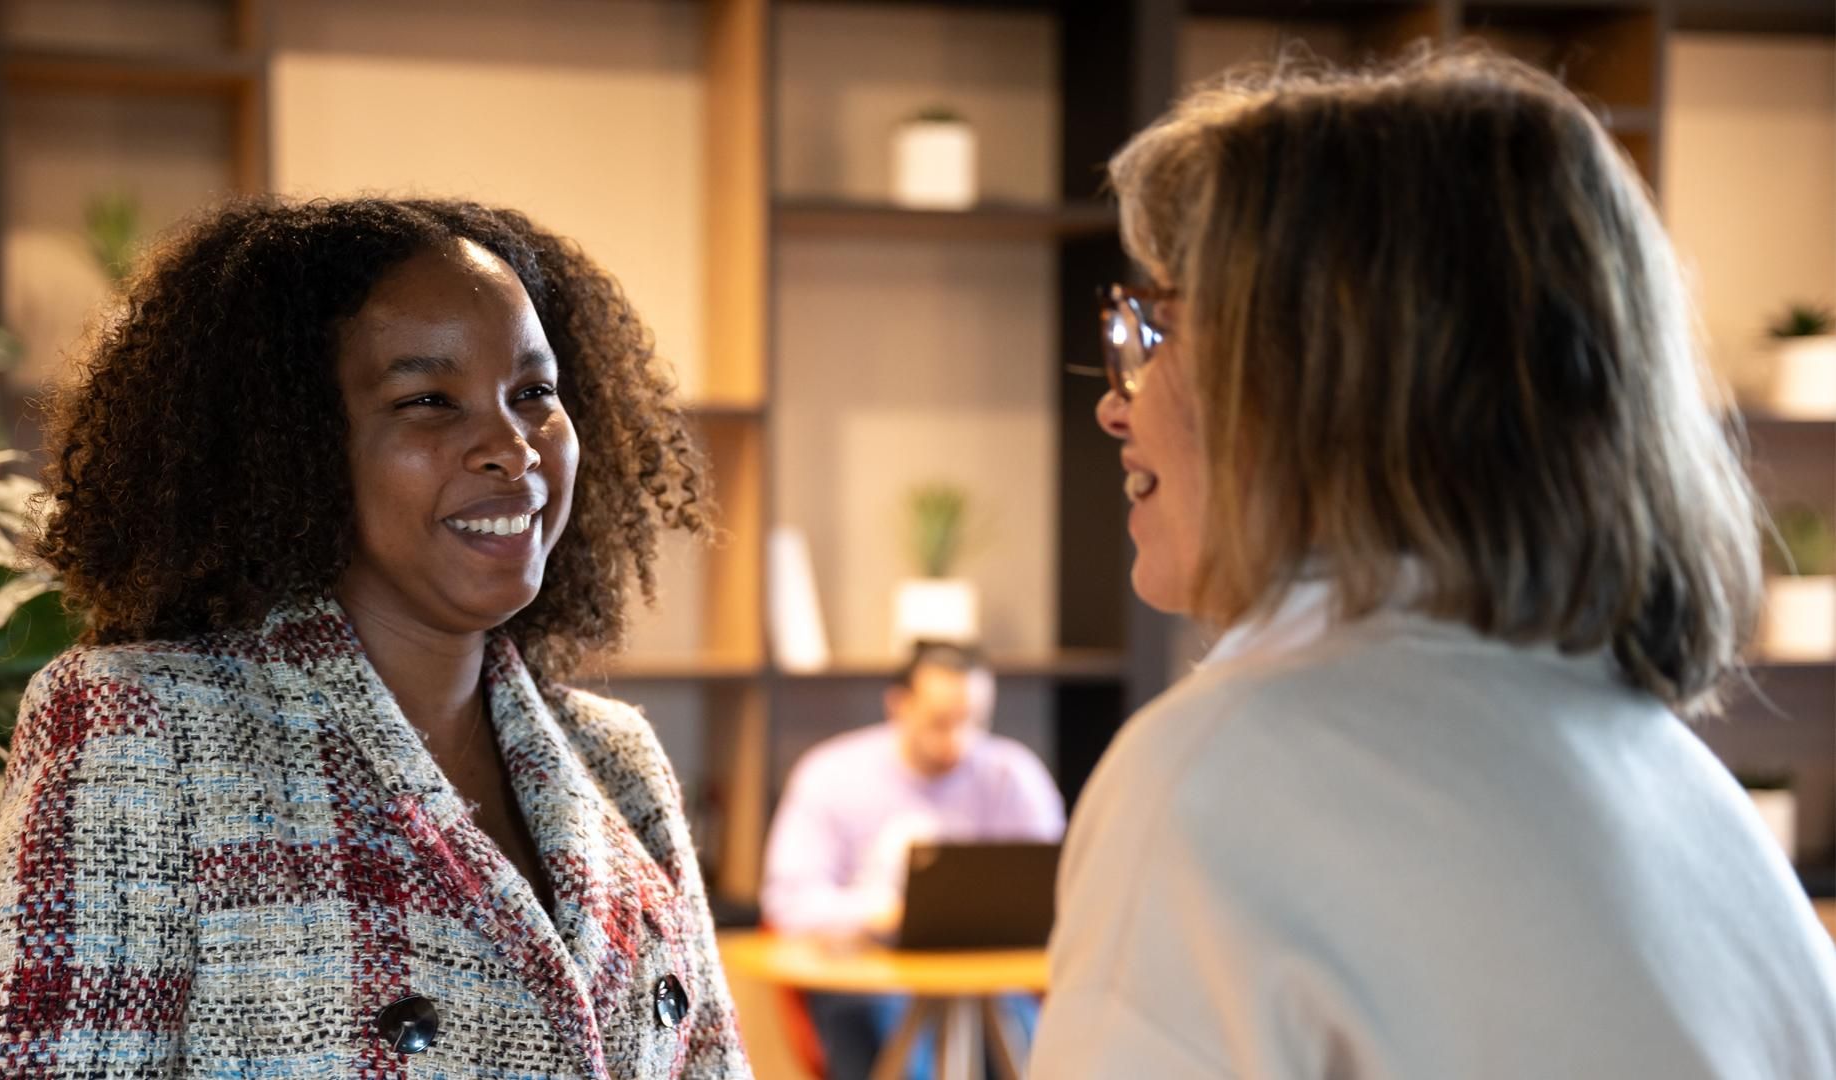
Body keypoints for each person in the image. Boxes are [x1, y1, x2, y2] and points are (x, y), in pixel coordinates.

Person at [1032, 48, 1836, 1080]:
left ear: (1315, 372)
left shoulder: (1218, 777)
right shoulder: (1694, 806)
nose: (1113, 401)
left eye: (1156, 330)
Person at [0, 197, 749, 1078]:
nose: (512, 448)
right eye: (428, 400)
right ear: (295, 447)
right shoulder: (144, 730)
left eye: (533, 394)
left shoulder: (616, 761)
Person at [763, 640, 1064, 1080]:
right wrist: (881, 916)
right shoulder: (830, 775)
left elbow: (1054, 889)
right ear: (899, 706)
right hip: (865, 982)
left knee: (1043, 1050)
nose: (956, 741)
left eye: (972, 722)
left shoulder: (1012, 777)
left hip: (989, 982)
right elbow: (788, 902)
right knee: (894, 1045)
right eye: (940, 723)